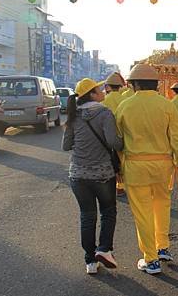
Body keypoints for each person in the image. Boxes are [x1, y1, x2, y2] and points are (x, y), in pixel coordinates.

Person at [116, 64, 178, 275]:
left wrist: (119, 170)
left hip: (136, 167)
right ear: (156, 84)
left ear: (134, 84)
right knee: (162, 206)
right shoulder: (167, 105)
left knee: (143, 214)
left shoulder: (124, 106)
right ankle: (163, 247)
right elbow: (177, 140)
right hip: (163, 167)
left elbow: (118, 141)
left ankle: (151, 259)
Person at [62, 78, 124, 275]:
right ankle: (104, 249)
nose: (102, 91)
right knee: (108, 211)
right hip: (103, 174)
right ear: (92, 94)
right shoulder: (104, 113)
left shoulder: (73, 116)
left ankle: (90, 261)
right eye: (99, 89)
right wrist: (124, 143)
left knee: (87, 216)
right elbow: (114, 142)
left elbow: (65, 146)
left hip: (78, 175)